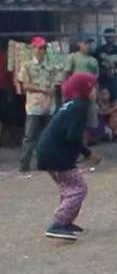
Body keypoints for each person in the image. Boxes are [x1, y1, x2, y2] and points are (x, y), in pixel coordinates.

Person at [35, 72, 102, 240]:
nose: (96, 91)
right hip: (56, 154)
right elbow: (73, 136)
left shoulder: (72, 104)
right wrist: (88, 154)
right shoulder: (80, 107)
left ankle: (66, 222)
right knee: (78, 188)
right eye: (93, 88)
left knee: (68, 188)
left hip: (48, 151)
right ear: (84, 89)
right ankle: (58, 223)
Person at [18, 36, 58, 172]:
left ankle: (45, 163)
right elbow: (26, 85)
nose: (41, 50)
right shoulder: (27, 66)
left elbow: (55, 84)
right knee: (30, 136)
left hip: (48, 105)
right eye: (39, 47)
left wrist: (50, 92)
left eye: (43, 48)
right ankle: (24, 165)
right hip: (34, 106)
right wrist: (43, 89)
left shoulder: (50, 67)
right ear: (33, 48)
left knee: (47, 136)